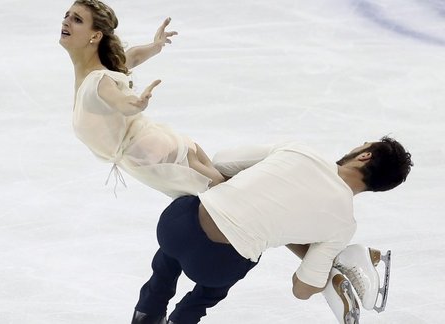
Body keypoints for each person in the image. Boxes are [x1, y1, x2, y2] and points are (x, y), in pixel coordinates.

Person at [132, 137, 413, 324]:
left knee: (172, 254)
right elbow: (302, 290)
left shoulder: (299, 151)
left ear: (364, 155)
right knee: (223, 277)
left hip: (174, 226)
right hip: (214, 266)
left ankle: (146, 312)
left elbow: (220, 164)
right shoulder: (342, 225)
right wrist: (318, 261)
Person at [60, 0, 224, 198]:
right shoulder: (103, 68)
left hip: (153, 154)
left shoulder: (98, 81)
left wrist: (135, 104)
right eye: (67, 16)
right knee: (225, 190)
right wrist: (156, 46)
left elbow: (119, 101)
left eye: (77, 20)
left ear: (95, 35)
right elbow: (132, 57)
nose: (66, 22)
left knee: (226, 194)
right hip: (158, 146)